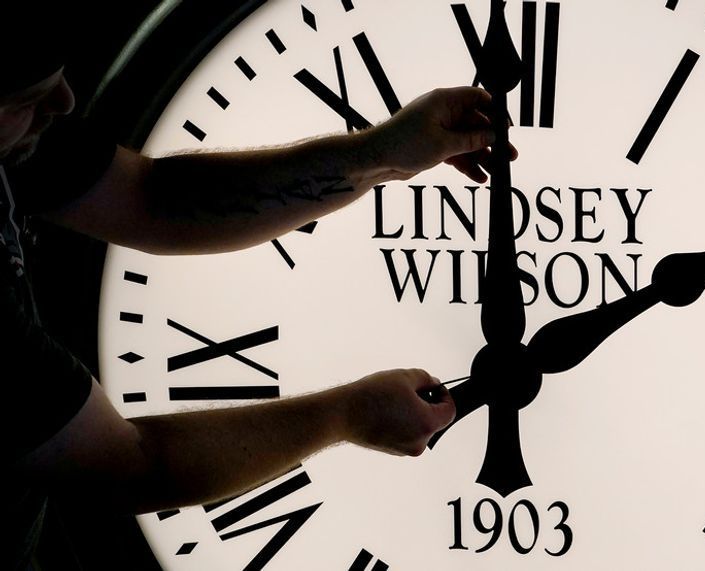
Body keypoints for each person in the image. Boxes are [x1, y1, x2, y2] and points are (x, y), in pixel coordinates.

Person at [2, 5, 507, 569]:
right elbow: (126, 467)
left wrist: (382, 155)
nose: (63, 104)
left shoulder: (15, 142)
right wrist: (347, 416)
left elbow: (151, 198)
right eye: (25, 99)